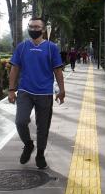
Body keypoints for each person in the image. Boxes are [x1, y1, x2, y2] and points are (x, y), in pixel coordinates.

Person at [8, 18, 66, 169]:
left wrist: (61, 90)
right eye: (31, 26)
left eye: (37, 26)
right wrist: (11, 90)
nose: (33, 29)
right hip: (25, 91)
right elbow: (14, 69)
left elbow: (57, 70)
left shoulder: (51, 47)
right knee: (20, 121)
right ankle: (28, 144)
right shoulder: (22, 47)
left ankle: (40, 153)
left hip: (45, 92)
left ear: (43, 30)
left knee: (43, 126)